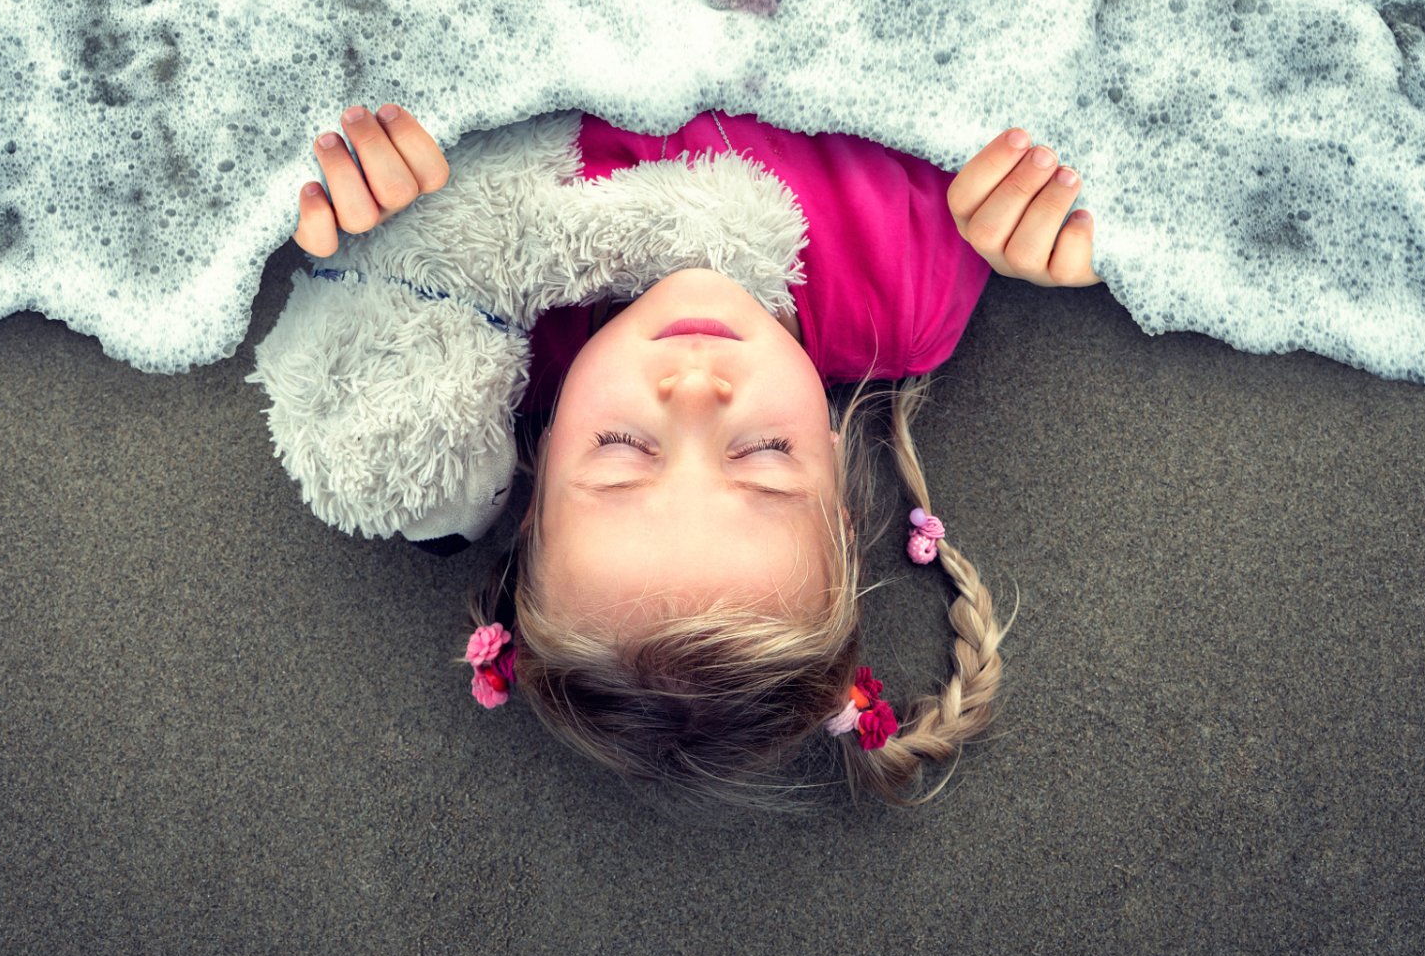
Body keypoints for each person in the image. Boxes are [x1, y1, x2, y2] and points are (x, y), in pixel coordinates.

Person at [288, 101, 1099, 808]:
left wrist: (378, 188)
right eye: (763, 453)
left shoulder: (483, 313)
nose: (695, 393)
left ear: (533, 496)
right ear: (840, 506)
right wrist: (1044, 202)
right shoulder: (907, 286)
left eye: (622, 447)